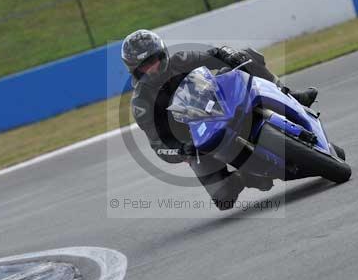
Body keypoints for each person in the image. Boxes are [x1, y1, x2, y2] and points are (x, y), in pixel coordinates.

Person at [121, 29, 318, 210]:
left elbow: (213, 56)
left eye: (155, 60)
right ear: (135, 71)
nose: (153, 68)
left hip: (220, 102)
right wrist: (182, 149)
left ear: (163, 54)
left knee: (247, 56)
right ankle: (245, 176)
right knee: (223, 198)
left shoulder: (181, 59)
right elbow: (159, 145)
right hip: (196, 138)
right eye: (145, 66)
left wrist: (227, 55)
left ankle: (292, 96)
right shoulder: (141, 103)